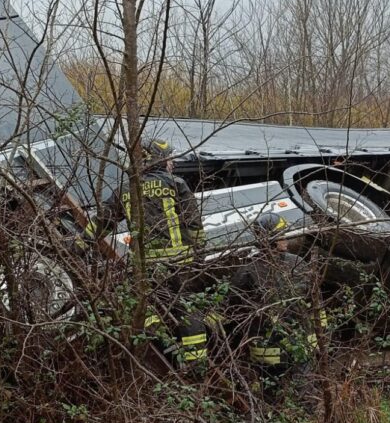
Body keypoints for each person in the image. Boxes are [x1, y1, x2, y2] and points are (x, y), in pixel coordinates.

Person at [90, 136, 208, 364]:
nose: (171, 163)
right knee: (187, 309)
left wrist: (77, 245)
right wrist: (199, 258)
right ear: (159, 159)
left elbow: (102, 222)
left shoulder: (126, 188)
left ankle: (169, 355)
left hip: (145, 269)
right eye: (169, 158)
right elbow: (194, 226)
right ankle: (196, 364)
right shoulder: (177, 184)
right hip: (180, 265)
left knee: (148, 312)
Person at [230, 212, 321, 371]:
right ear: (269, 239)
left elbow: (314, 300)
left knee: (305, 389)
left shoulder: (297, 263)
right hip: (270, 356)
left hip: (302, 349)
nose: (285, 239)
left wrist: (321, 335)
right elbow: (235, 314)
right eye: (281, 235)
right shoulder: (249, 273)